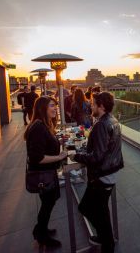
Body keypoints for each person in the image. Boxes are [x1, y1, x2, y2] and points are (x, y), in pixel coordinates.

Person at [69, 92, 123, 253]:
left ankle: (107, 242)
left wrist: (77, 155)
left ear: (102, 106)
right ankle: (105, 239)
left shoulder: (101, 125)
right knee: (101, 210)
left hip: (102, 175)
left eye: (93, 104)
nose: (91, 106)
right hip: (110, 172)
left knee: (85, 207)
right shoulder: (113, 120)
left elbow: (97, 157)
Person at [24, 96, 67, 248]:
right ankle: (42, 236)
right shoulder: (38, 127)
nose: (55, 108)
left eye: (56, 105)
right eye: (52, 106)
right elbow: (37, 158)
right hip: (43, 174)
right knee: (47, 204)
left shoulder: (42, 124)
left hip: (47, 173)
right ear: (43, 108)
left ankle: (41, 229)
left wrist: (57, 142)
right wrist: (59, 156)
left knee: (48, 203)